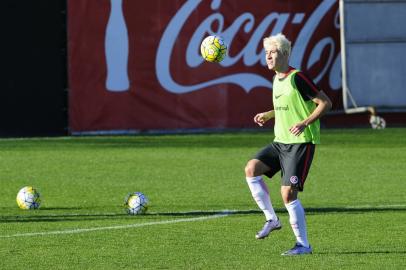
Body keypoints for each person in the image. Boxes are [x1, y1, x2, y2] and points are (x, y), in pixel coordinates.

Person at [244, 33, 332, 256]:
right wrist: (269, 114)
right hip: (280, 141)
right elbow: (289, 107)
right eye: (266, 53)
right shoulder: (276, 79)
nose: (268, 57)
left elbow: (325, 103)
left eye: (272, 52)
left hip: (300, 143)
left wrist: (305, 123)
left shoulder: (298, 77)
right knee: (251, 169)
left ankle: (303, 245)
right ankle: (272, 219)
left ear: (284, 53)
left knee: (288, 195)